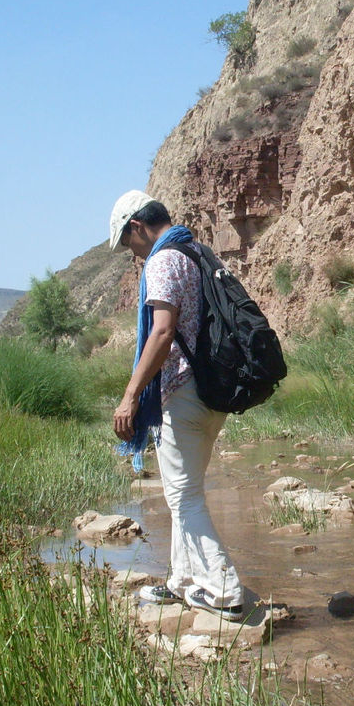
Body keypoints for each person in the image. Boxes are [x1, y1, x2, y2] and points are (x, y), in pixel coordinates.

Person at [108, 189, 246, 621]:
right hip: (209, 391)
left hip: (184, 390)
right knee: (182, 492)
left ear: (137, 227)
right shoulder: (195, 250)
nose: (131, 254)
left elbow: (163, 332)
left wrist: (131, 395)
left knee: (184, 497)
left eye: (128, 243)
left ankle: (224, 590)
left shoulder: (164, 259)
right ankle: (183, 581)